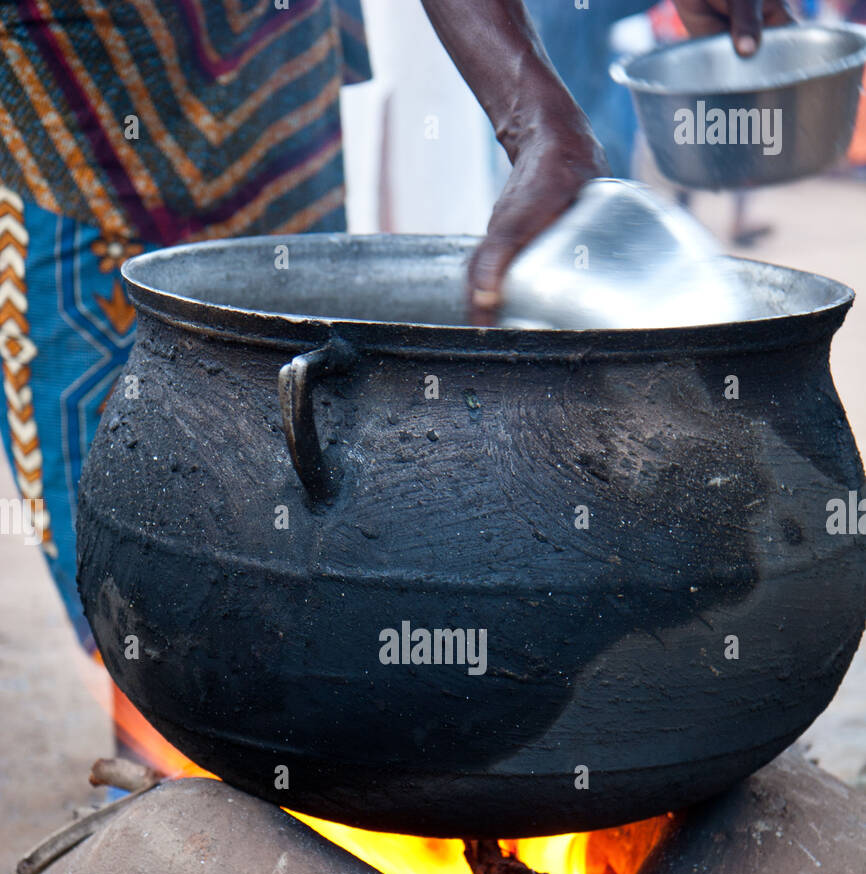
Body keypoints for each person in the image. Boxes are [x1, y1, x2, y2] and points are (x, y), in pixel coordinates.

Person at [0, 0, 785, 744]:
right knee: (134, 533)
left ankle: (265, 759)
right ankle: (169, 782)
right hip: (64, 83)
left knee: (290, 461)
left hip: (269, 56)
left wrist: (533, 117)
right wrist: (532, 116)